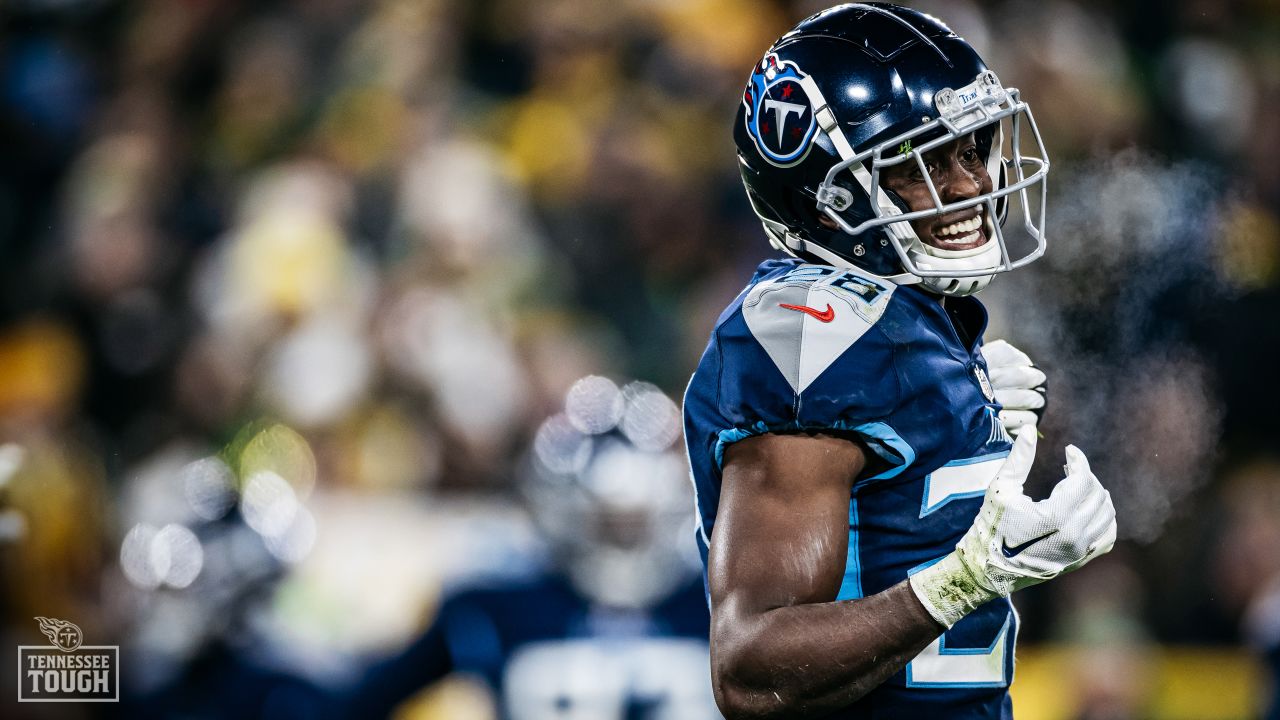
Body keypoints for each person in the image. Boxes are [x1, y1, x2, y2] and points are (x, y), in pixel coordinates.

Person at [682, 4, 1117, 718]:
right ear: (828, 199)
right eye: (924, 163)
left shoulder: (911, 318)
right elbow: (752, 668)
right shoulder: (811, 334)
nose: (971, 185)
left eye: (972, 150)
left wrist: (956, 410)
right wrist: (957, 584)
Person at [340, 377, 721, 719]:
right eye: (608, 525)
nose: (621, 542)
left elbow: (354, 699)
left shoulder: (498, 603)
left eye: (632, 525)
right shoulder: (719, 604)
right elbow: (365, 699)